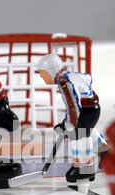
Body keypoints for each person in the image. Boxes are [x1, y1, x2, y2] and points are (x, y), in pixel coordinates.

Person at [36, 53, 108, 183]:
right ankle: (107, 153)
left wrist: (69, 125)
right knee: (87, 132)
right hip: (92, 109)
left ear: (50, 70)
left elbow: (74, 106)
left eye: (42, 72)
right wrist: (67, 123)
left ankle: (84, 169)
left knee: (79, 136)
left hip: (87, 110)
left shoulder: (64, 82)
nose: (41, 75)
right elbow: (87, 78)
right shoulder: (69, 75)